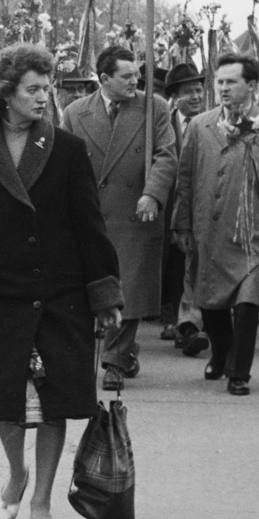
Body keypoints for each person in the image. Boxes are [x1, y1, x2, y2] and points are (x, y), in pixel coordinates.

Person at [0, 43, 122, 519]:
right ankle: (16, 473)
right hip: (4, 292)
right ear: (5, 94)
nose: (42, 97)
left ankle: (42, 500)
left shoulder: (68, 149)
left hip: (62, 293)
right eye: (32, 88)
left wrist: (106, 295)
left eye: (46, 88)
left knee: (54, 401)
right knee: (4, 398)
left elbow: (90, 225)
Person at [172, 53, 259, 396]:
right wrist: (181, 225)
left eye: (231, 82)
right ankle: (221, 352)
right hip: (208, 230)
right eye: (220, 81)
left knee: (246, 301)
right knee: (210, 299)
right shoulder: (200, 126)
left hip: (252, 233)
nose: (223, 88)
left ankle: (240, 373)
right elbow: (186, 179)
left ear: (252, 86)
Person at [60, 45, 177, 392]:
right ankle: (122, 352)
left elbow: (166, 155)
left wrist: (152, 193)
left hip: (135, 212)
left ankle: (113, 361)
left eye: (137, 74)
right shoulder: (75, 112)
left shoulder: (153, 107)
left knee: (129, 288)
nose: (136, 80)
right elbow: (64, 162)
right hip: (90, 213)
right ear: (105, 78)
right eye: (126, 76)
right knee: (93, 286)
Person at [159, 61, 208, 354]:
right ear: (175, 96)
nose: (195, 97)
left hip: (195, 203)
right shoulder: (164, 122)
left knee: (191, 262)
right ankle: (171, 317)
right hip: (165, 202)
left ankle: (188, 323)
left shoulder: (209, 123)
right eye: (188, 92)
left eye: (199, 91)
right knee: (171, 263)